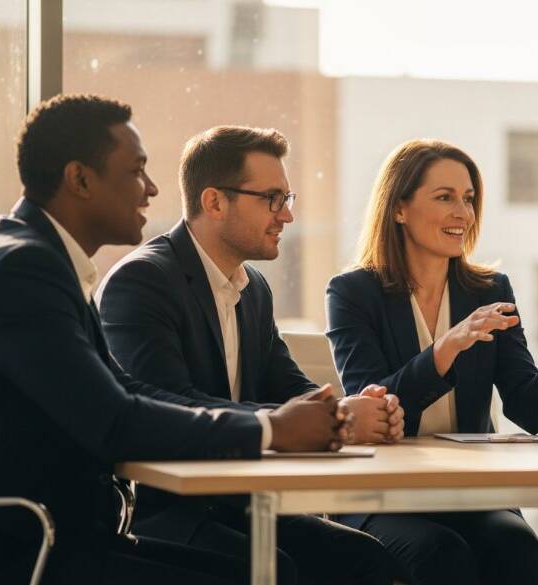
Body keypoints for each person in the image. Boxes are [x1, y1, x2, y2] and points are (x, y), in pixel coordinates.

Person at [0, 94, 349, 585]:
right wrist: (271, 430)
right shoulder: (21, 269)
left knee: (312, 565)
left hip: (66, 538)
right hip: (21, 553)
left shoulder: (41, 261)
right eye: (136, 170)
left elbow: (128, 392)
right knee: (264, 575)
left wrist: (280, 422)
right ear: (80, 179)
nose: (152, 189)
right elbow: (113, 421)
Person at [98, 125, 400, 585]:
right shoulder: (141, 282)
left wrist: (347, 412)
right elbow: (168, 403)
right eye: (272, 199)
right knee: (279, 570)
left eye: (288, 199)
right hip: (162, 510)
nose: (287, 216)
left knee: (366, 560)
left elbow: (288, 384)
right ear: (215, 202)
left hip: (239, 501)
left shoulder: (251, 287)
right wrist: (304, 422)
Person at [325, 138, 538, 585]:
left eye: (469, 198)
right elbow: (375, 406)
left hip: (472, 492)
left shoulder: (489, 290)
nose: (463, 212)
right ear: (399, 208)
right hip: (383, 494)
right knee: (441, 554)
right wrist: (446, 347)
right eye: (445, 198)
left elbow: (527, 410)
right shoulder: (352, 293)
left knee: (516, 547)